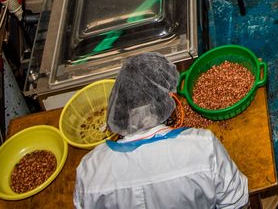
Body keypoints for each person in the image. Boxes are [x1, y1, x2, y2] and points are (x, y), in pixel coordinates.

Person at [73, 52, 248, 209]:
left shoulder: (90, 171)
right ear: (167, 100)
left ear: (118, 106)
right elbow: (237, 200)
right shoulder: (203, 148)